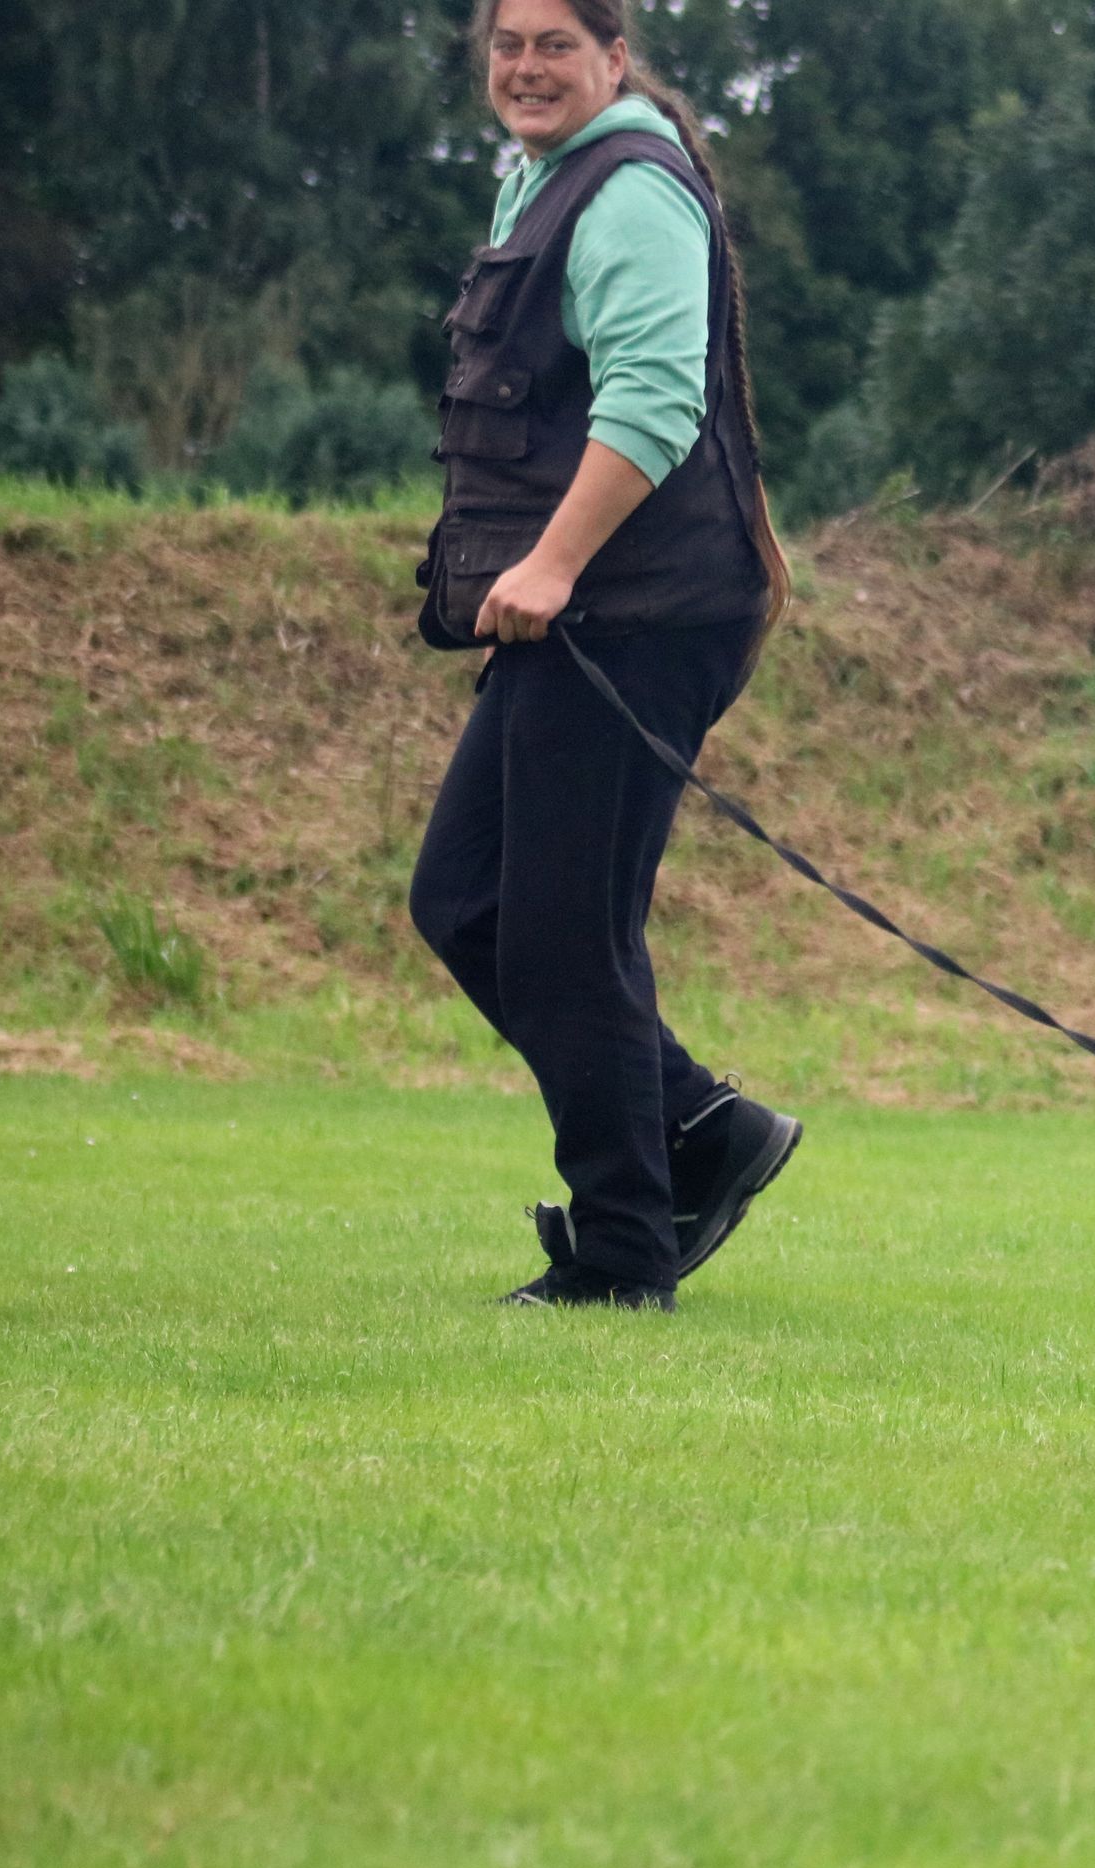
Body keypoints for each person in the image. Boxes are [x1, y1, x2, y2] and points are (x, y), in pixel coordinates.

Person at [408, 0, 801, 1312]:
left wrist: (555, 561)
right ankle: (701, 1129)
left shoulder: (630, 189)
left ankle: (626, 1252)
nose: (525, 67)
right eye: (507, 44)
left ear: (615, 58)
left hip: (641, 614)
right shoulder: (543, 182)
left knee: (567, 937)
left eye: (555, 44)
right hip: (576, 617)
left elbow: (653, 399)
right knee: (466, 903)